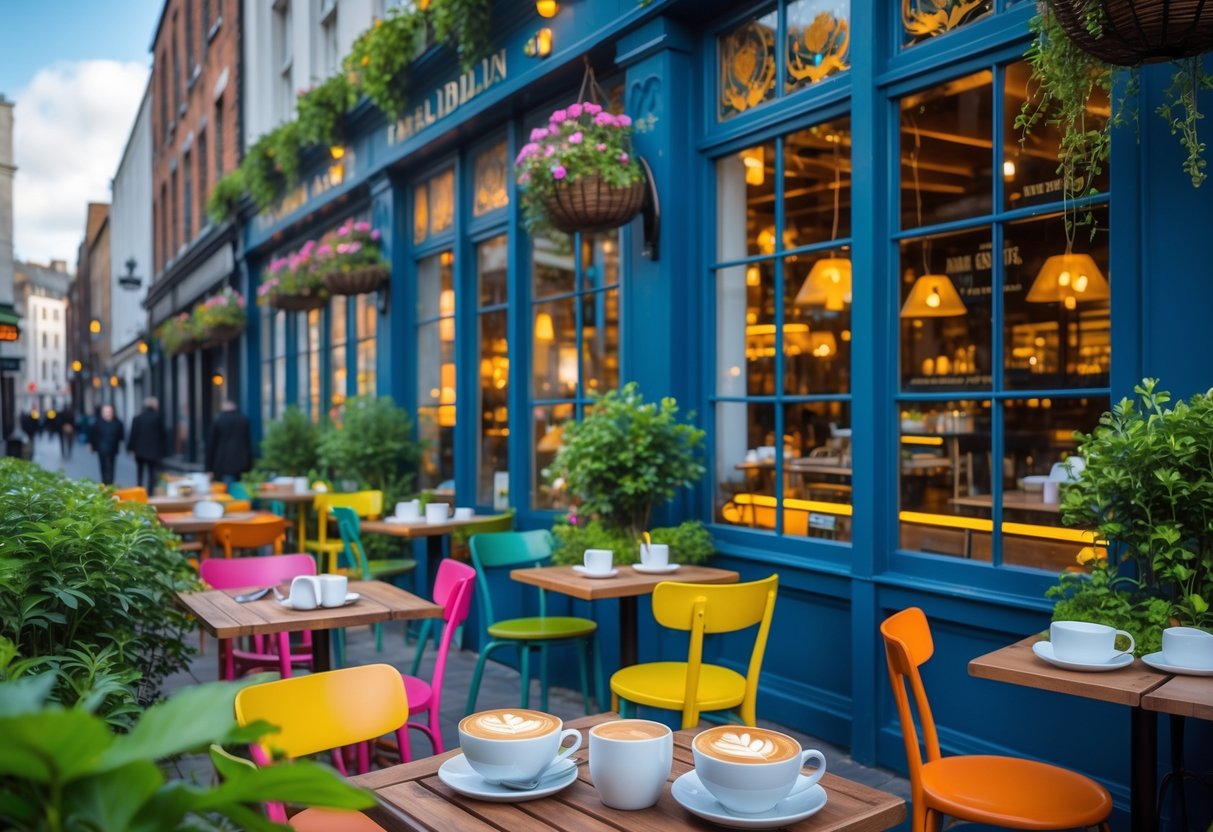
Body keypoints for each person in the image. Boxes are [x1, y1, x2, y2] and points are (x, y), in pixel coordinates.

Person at [207, 400, 253, 485]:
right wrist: (249, 464)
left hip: (222, 462)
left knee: (224, 491)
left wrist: (209, 468)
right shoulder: (243, 419)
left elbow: (211, 445)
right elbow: (248, 443)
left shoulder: (218, 419)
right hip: (242, 462)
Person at [128, 396, 167, 493]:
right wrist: (164, 449)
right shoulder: (157, 417)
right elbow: (162, 434)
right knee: (152, 472)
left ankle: (139, 488)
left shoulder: (137, 418)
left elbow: (133, 434)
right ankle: (150, 491)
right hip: (153, 450)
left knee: (139, 471)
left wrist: (130, 449)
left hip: (139, 450)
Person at [88, 404, 125, 485]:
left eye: (109, 411)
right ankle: (104, 483)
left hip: (113, 449)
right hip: (101, 449)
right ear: (102, 413)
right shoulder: (97, 423)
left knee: (111, 467)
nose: (107, 413)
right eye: (105, 411)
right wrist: (91, 445)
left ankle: (110, 483)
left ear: (112, 412)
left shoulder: (118, 423)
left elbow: (121, 436)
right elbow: (92, 435)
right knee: (103, 467)